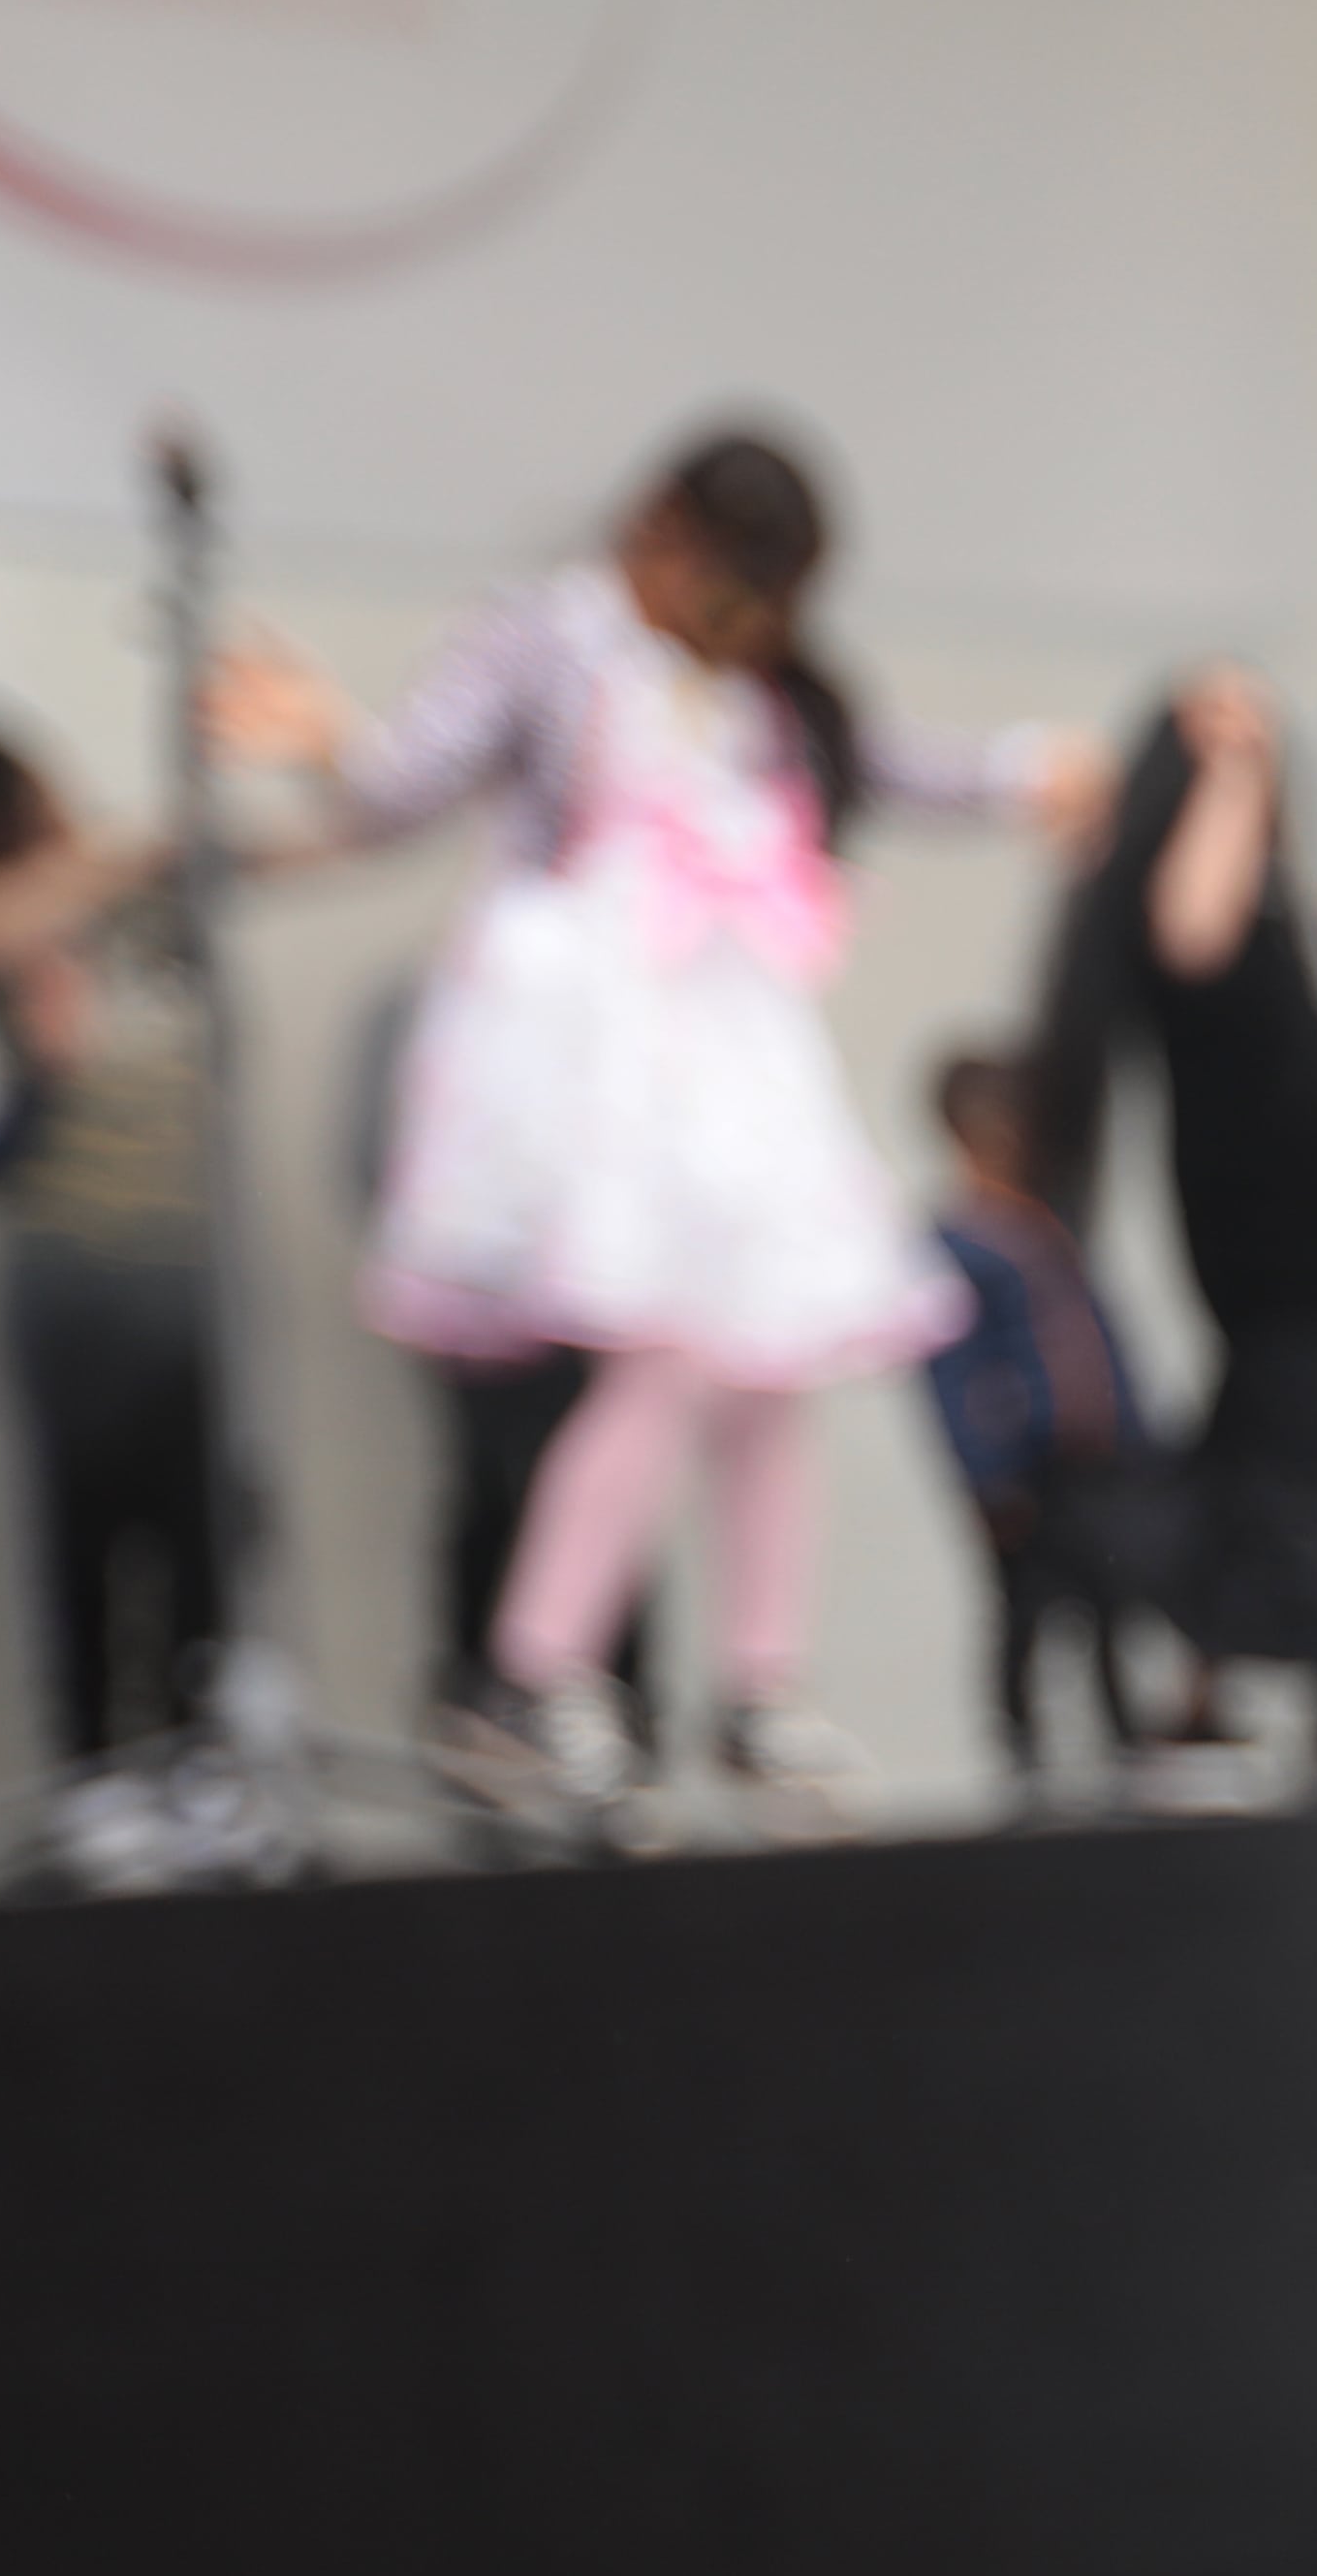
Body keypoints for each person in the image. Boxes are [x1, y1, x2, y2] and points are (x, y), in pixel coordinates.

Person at [213, 424, 1095, 1835]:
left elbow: (886, 765)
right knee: (672, 1353)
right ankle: (533, 1671)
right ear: (664, 532)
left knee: (769, 1362)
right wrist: (321, 736)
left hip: (736, 1054)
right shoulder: (549, 637)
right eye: (730, 579)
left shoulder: (760, 695)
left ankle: (759, 1687)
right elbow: (403, 783)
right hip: (601, 1050)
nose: (741, 616)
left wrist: (1022, 773)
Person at [1024, 671, 1317, 1796]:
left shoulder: (1271, 893)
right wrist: (1237, 769)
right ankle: (1295, 1675)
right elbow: (1195, 935)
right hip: (1250, 1195)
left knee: (1313, 1412)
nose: (1250, 737)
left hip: (1315, 1182)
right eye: (1220, 724)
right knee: (1308, 1409)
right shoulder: (1183, 882)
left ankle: (1262, 1683)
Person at [0, 721, 227, 1822]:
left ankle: (198, 1771)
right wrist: (141, 845)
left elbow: (276, 848)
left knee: (201, 1535)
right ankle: (94, 1785)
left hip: (192, 1261)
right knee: (86, 1534)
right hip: (71, 1266)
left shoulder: (132, 883)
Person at [917, 1051, 1169, 1794]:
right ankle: (1021, 1741)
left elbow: (1096, 1339)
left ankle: (1122, 1732)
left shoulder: (1047, 1226)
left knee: (1107, 1598)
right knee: (1025, 1607)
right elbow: (952, 1376)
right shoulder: (959, 1245)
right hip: (1022, 1469)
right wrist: (987, 1474)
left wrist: (1132, 1428)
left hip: (1089, 1455)